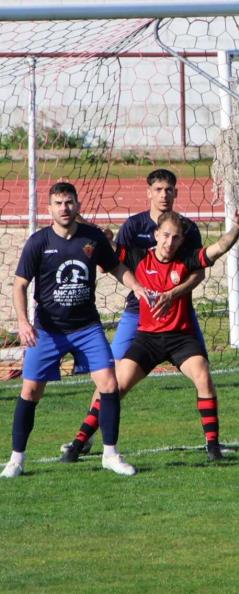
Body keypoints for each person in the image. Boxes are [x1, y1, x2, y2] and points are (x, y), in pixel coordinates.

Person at [60, 201, 239, 463]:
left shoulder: (187, 259)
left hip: (181, 338)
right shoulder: (139, 257)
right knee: (115, 387)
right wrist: (78, 218)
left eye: (176, 237)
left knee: (203, 377)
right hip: (147, 339)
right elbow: (104, 241)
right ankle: (78, 443)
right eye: (166, 235)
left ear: (182, 240)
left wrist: (237, 227)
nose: (170, 242)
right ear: (156, 235)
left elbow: (219, 247)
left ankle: (213, 447)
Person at [2, 182, 147, 478]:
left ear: (77, 205)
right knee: (30, 391)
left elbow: (116, 267)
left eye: (69, 202)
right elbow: (19, 285)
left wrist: (136, 286)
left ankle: (110, 454)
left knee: (109, 385)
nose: (64, 208)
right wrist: (23, 322)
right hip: (48, 330)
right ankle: (16, 460)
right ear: (49, 209)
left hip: (87, 328)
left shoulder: (92, 237)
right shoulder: (38, 242)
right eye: (58, 203)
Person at [61, 168, 207, 458]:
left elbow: (199, 271)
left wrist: (174, 294)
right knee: (112, 378)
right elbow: (116, 263)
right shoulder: (133, 226)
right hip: (136, 312)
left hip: (179, 313)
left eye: (169, 190)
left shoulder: (187, 228)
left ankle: (212, 441)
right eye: (158, 189)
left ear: (176, 193)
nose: (164, 195)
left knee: (203, 374)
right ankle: (87, 438)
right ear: (148, 192)